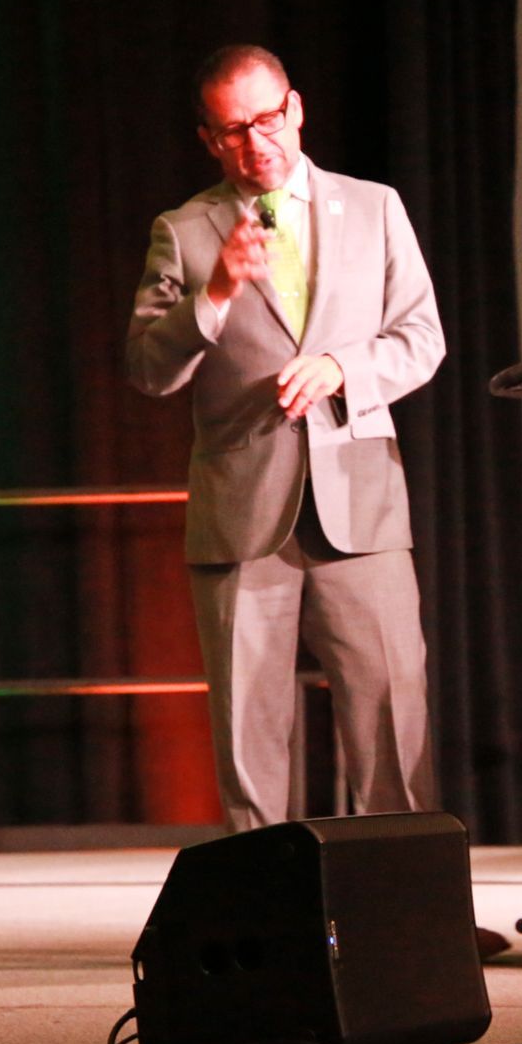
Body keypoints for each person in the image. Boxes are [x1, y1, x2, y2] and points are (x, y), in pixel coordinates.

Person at [126, 44, 445, 831]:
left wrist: (343, 366)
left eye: (268, 119)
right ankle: (269, 898)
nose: (256, 142)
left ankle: (402, 894)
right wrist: (215, 292)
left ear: (296, 108)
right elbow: (147, 367)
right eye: (234, 130)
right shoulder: (184, 230)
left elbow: (421, 338)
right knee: (250, 738)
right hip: (243, 516)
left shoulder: (373, 207)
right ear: (209, 139)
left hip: (360, 504)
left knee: (391, 717)